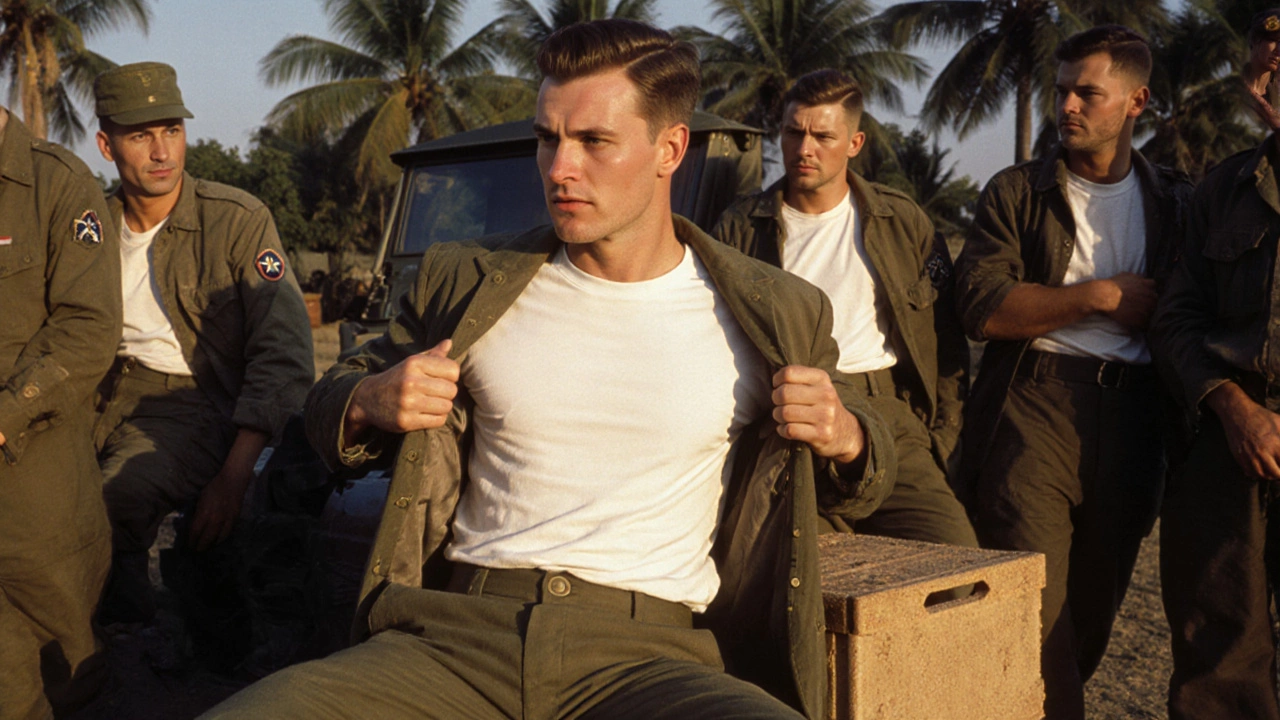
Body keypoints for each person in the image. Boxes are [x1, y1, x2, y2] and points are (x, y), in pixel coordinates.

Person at [199, 19, 892, 720]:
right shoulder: (468, 282)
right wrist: (369, 400)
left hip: (655, 663)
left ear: (669, 149)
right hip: (451, 643)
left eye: (594, 142)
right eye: (547, 138)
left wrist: (847, 436)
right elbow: (327, 401)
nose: (560, 168)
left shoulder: (776, 312)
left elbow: (865, 475)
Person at [954, 26, 1192, 720]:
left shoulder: (1177, 201)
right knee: (1036, 605)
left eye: (1088, 91)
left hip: (1136, 419)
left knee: (1093, 609)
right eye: (1061, 90)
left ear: (1136, 100)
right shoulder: (1017, 192)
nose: (1068, 106)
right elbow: (980, 304)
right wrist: (1099, 296)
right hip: (1035, 408)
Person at [713, 69, 976, 553]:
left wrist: (941, 438)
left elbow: (945, 336)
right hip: (795, 419)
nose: (804, 148)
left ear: (854, 142)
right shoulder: (741, 228)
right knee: (817, 581)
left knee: (956, 562)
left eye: (822, 136)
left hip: (890, 412)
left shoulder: (901, 221)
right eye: (794, 132)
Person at [90, 62, 314, 626]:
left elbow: (283, 352)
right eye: (141, 136)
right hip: (93, 389)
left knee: (113, 502)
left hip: (188, 399)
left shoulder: (236, 220)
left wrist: (234, 475)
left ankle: (123, 644)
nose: (162, 151)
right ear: (106, 145)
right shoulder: (85, 225)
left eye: (171, 130)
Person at [1151, 46, 1280, 720]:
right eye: (1270, 71)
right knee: (1220, 667)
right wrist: (1231, 407)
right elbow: (1176, 317)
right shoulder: (1221, 191)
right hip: (1230, 447)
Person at [0, 106, 122, 718]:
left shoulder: (57, 182)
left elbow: (88, 328)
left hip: (32, 468)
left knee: (58, 657)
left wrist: (5, 415)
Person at [1243, 9, 1280, 131]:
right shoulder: (1232, 89)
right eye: (1274, 41)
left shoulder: (1277, 93)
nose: (1278, 51)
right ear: (1255, 39)